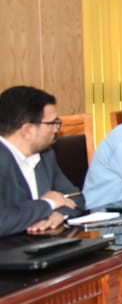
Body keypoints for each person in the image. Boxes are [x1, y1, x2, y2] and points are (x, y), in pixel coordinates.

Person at [0, 85, 86, 235]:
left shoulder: (45, 155)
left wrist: (58, 214)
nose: (57, 128)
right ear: (27, 131)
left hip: (43, 242)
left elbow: (75, 197)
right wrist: (47, 204)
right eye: (52, 123)